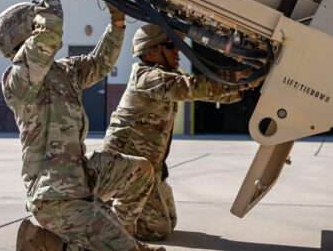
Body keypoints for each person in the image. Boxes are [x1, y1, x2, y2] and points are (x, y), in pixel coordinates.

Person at [0, 0, 163, 251]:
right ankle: (52, 243)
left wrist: (117, 21)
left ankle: (112, 234)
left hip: (82, 176)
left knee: (140, 171)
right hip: (56, 196)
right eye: (35, 22)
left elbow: (101, 63)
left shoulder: (63, 72)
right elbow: (48, 36)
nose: (41, 22)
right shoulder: (18, 82)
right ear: (24, 36)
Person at [102, 24, 251, 241]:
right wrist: (243, 77)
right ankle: (102, 218)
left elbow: (214, 93)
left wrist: (245, 84)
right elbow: (195, 87)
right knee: (157, 230)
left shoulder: (164, 75)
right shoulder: (148, 78)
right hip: (126, 172)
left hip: (147, 169)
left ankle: (116, 208)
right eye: (171, 46)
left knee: (169, 223)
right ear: (151, 51)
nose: (177, 52)